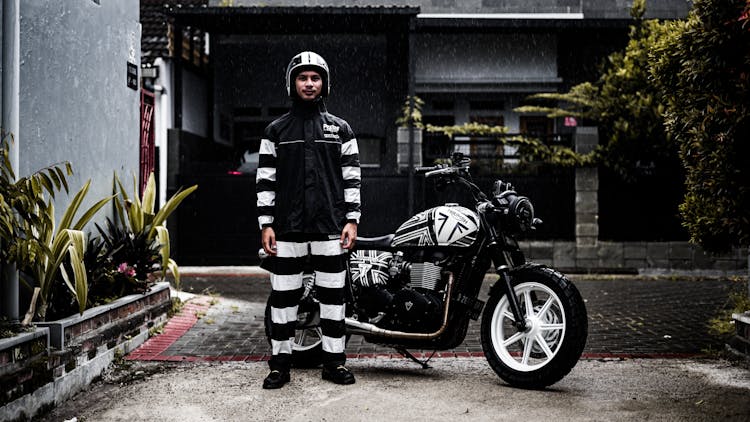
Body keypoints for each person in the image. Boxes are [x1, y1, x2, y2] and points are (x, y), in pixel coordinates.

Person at [256, 51, 361, 389]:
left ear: (324, 84)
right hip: (286, 230)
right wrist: (266, 224)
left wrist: (352, 219)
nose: (309, 83)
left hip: (330, 228)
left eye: (315, 78)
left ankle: (333, 363)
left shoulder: (340, 130)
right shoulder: (276, 131)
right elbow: (265, 181)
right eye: (303, 77)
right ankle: (279, 366)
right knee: (284, 302)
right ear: (292, 83)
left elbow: (352, 179)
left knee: (333, 301)